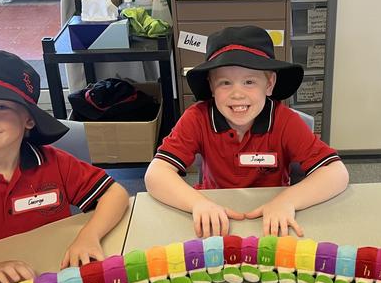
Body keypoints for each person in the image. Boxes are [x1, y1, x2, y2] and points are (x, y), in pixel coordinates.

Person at [0, 50, 129, 283]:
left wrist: (89, 236)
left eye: (0, 107)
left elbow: (114, 194)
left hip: (59, 278)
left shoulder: (54, 162)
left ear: (29, 119)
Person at [145, 26, 349, 238]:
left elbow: (336, 173)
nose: (237, 94)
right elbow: (156, 174)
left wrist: (287, 201)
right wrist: (198, 203)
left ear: (269, 84)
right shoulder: (196, 118)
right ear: (212, 86)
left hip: (272, 219)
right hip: (214, 215)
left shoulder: (285, 121)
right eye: (225, 83)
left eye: (249, 82)